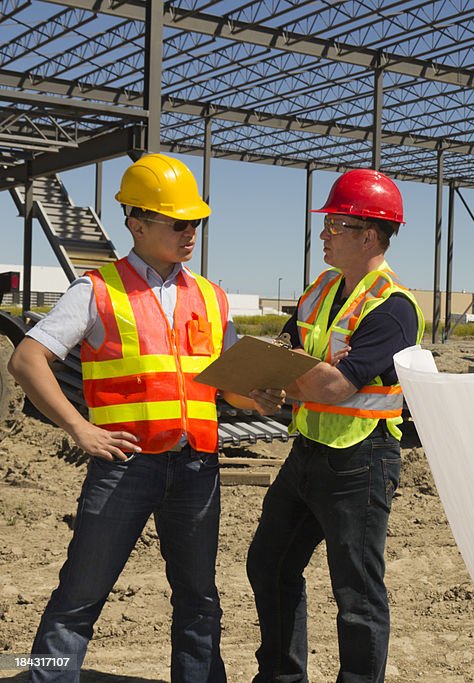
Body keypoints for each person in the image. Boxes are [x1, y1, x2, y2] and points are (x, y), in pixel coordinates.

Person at [8, 153, 237, 682]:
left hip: (197, 468)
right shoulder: (97, 290)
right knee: (79, 598)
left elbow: (224, 382)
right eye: (179, 222)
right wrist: (79, 427)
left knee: (200, 600)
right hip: (126, 467)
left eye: (196, 222)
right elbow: (26, 359)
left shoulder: (210, 296)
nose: (191, 233)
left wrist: (258, 396)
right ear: (137, 223)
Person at [246, 168, 424, 683]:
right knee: (270, 565)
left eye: (335, 225)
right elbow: (284, 349)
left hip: (361, 463)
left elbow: (334, 386)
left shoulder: (393, 307)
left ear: (368, 234)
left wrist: (288, 376)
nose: (323, 234)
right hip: (308, 452)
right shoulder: (320, 289)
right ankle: (281, 677)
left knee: (357, 595)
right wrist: (269, 380)